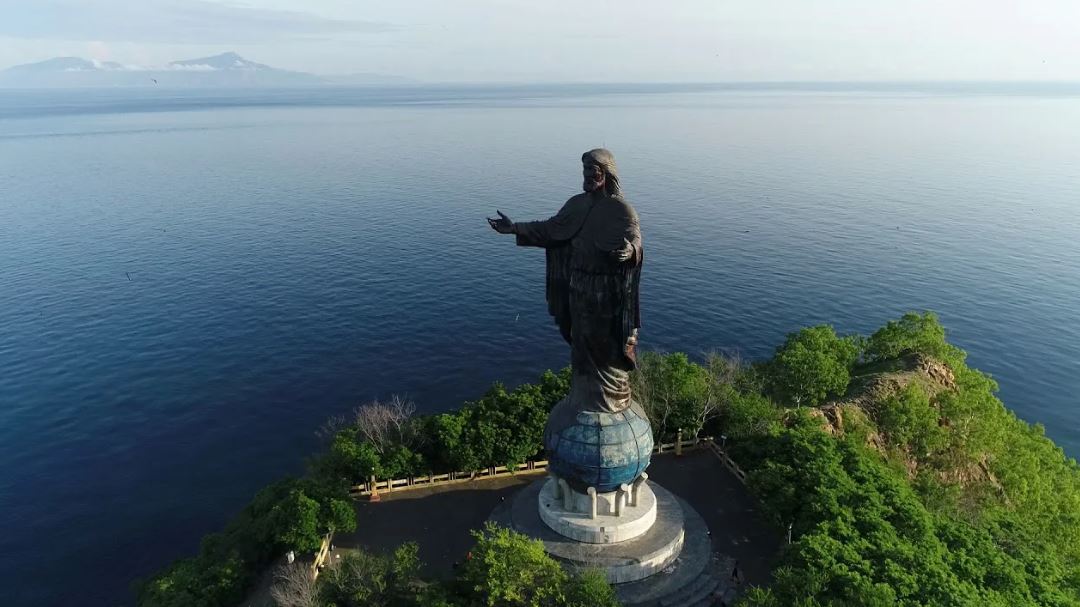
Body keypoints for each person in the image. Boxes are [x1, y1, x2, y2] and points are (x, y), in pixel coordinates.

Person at [487, 148, 643, 416]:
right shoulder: (576, 205)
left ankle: (612, 400)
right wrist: (515, 228)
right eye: (584, 169)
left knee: (605, 348)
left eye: (592, 170)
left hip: (606, 293)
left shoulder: (621, 209)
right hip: (578, 287)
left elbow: (635, 239)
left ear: (606, 174)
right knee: (580, 344)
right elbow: (550, 229)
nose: (587, 175)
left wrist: (630, 251)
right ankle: (584, 396)